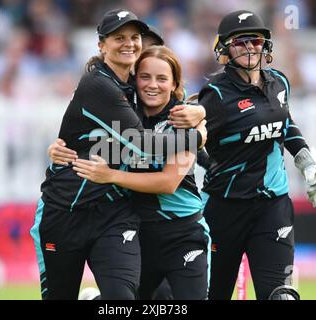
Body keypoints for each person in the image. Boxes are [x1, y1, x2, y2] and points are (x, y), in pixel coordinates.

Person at [30, 9, 206, 300]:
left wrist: (201, 114)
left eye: (135, 37)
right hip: (64, 212)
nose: (130, 44)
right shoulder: (98, 84)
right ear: (101, 45)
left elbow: (183, 102)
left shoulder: (137, 87)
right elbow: (143, 144)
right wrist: (197, 136)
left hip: (114, 213)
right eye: (119, 38)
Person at [198, 10, 316, 300]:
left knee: (280, 296)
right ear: (224, 48)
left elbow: (285, 125)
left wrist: (307, 163)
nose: (248, 48)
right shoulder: (215, 96)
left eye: (255, 41)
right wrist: (212, 164)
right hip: (224, 208)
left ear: (265, 45)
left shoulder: (279, 82)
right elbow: (194, 144)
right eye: (239, 42)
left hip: (273, 206)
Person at [72, 46, 210, 300]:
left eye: (162, 78)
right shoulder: (122, 116)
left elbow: (169, 182)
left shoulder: (184, 119)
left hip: (183, 233)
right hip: (136, 232)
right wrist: (57, 149)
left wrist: (111, 176)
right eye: (145, 77)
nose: (152, 85)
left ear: (175, 83)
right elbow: (79, 137)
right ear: (134, 79)